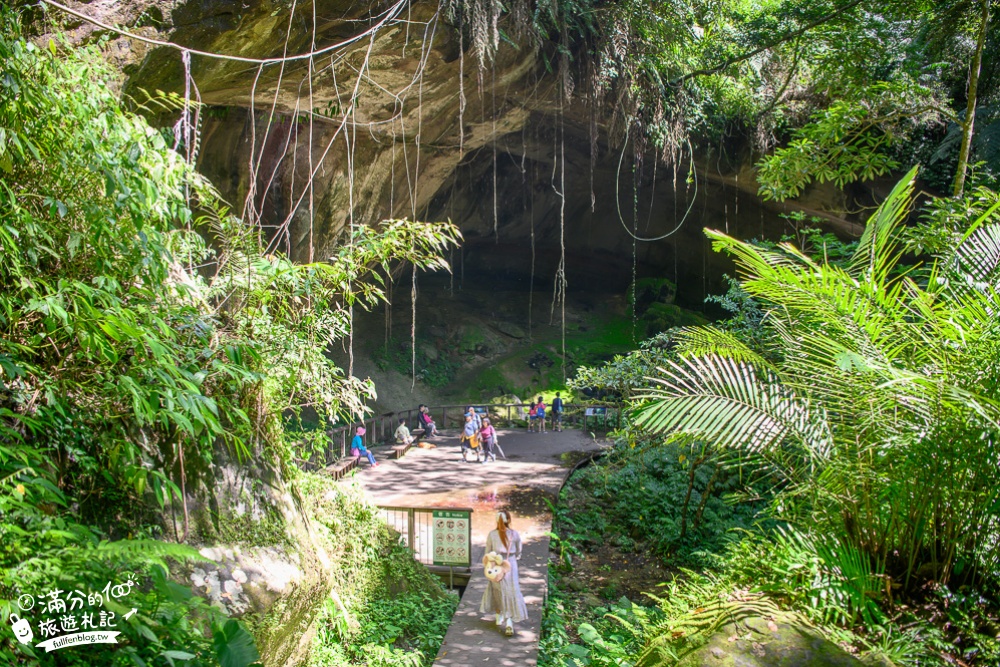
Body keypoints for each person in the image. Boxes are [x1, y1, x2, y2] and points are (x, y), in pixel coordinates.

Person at [480, 510, 528, 636]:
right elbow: (519, 551)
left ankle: (498, 615)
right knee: (511, 591)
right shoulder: (514, 534)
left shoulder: (492, 534)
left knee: (497, 589)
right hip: (510, 563)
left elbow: (487, 551)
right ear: (509, 520)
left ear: (497, 521)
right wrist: (514, 557)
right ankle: (509, 622)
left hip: (495, 564)